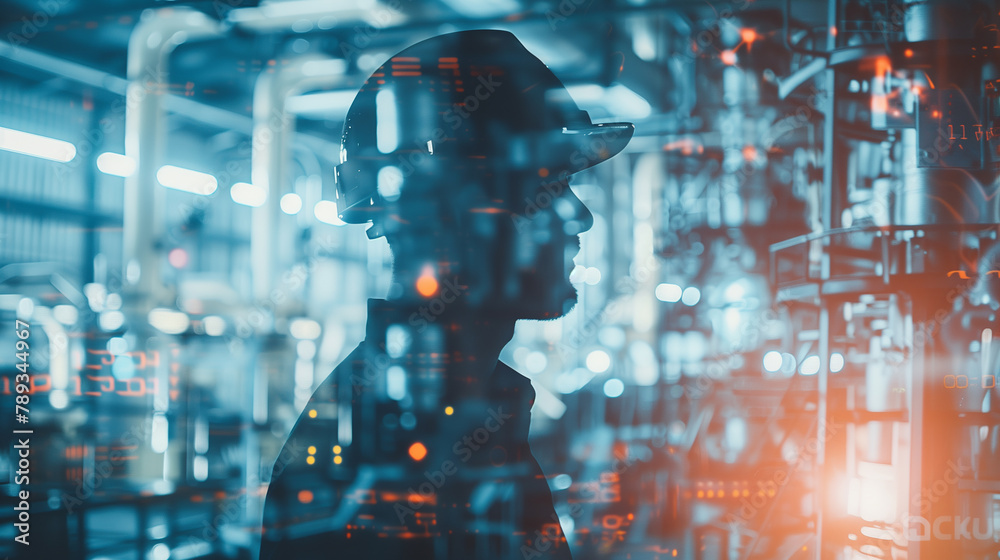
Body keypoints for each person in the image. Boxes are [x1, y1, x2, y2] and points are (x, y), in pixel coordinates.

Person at [259, 29, 633, 560]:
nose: (580, 216)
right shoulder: (367, 456)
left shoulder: (476, 411)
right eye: (545, 186)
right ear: (448, 214)